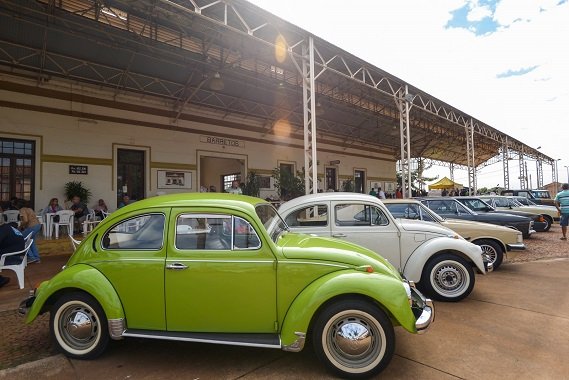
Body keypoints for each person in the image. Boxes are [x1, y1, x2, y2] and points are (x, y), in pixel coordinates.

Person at [0, 222, 25, 288]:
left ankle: (1, 280)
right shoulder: (7, 227)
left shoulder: (3, 230)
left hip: (14, 257)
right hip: (17, 253)